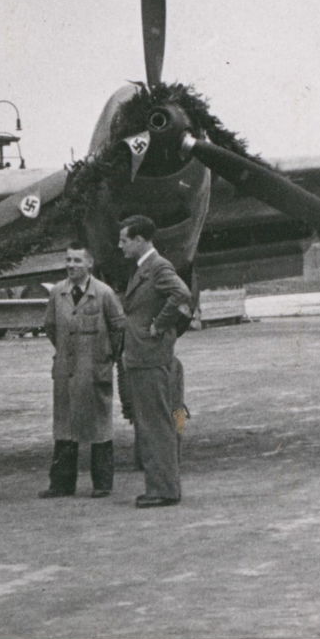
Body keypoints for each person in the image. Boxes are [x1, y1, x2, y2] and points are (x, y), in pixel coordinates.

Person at [116, 215, 195, 508]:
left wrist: (159, 325)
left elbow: (182, 293)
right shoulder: (145, 268)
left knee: (155, 423)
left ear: (140, 240)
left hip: (150, 355)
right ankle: (163, 487)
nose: (120, 245)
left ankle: (163, 490)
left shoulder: (158, 266)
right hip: (143, 354)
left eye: (124, 240)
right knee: (155, 422)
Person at [40, 244, 125, 499]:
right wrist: (68, 350)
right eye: (68, 260)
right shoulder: (57, 292)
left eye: (77, 260)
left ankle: (102, 484)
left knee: (99, 426)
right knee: (64, 426)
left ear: (90, 264)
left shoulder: (104, 293)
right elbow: (51, 326)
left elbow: (118, 328)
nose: (71, 265)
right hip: (66, 369)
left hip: (94, 368)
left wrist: (106, 357)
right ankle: (61, 484)